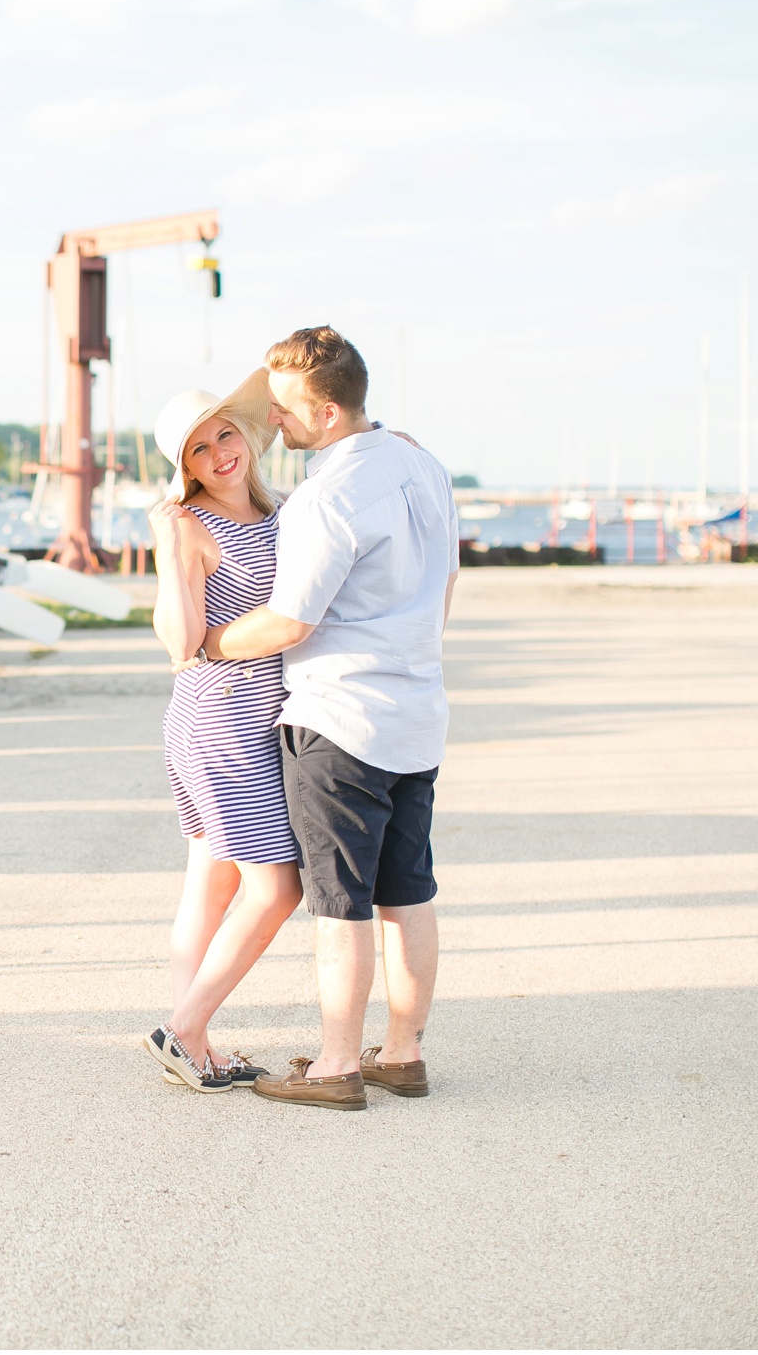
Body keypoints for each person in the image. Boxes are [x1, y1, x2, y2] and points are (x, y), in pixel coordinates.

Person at [182, 327, 458, 1111]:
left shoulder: (324, 496)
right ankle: (401, 1053)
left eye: (286, 408)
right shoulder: (424, 465)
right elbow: (444, 593)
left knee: (340, 903)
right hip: (417, 713)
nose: (274, 421)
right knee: (408, 891)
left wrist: (205, 641)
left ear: (328, 411)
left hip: (340, 723)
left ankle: (337, 1064)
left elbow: (288, 622)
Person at [138, 370, 305, 1093]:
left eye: (224, 434)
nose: (218, 454)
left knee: (209, 886)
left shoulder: (286, 511)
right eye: (199, 451)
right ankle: (185, 1030)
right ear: (186, 470)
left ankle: (194, 1047)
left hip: (252, 718)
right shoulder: (192, 527)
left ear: (247, 434)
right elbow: (179, 642)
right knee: (277, 888)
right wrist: (171, 547)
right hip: (222, 721)